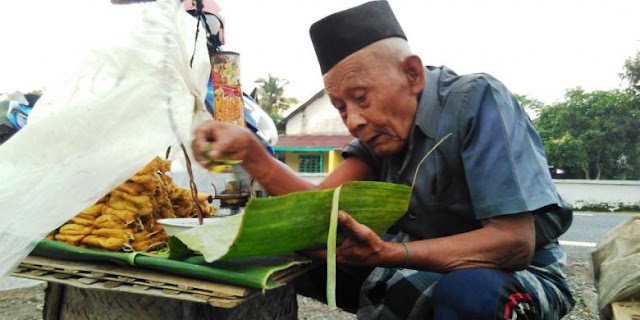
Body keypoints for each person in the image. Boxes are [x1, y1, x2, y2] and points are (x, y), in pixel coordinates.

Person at [191, 1, 575, 319]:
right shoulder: (380, 135)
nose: (353, 120)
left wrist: (392, 253)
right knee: (286, 257)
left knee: (470, 293)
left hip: (515, 275)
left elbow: (514, 243)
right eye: (341, 107)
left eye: (361, 97)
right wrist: (253, 156)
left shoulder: (475, 100)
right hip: (416, 266)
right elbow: (318, 216)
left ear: (411, 74)